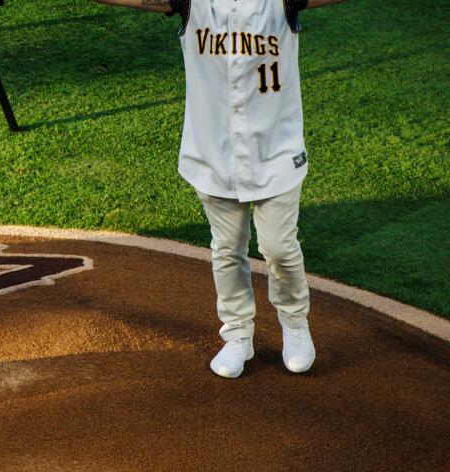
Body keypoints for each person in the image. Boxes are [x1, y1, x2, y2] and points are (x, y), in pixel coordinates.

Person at [91, 0, 347, 377]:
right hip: (214, 153)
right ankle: (238, 336)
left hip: (276, 150)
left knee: (278, 247)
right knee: (227, 249)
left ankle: (294, 324)